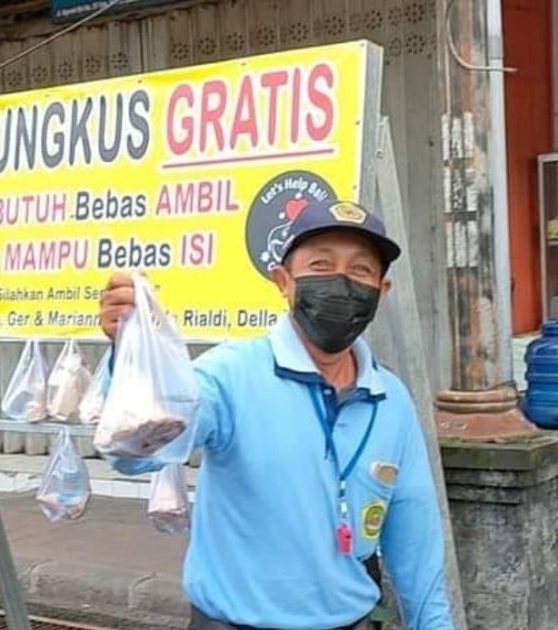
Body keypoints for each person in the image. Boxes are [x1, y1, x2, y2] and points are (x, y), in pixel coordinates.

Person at [98, 200, 454, 630]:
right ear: (283, 282)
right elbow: (134, 455)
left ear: (382, 290)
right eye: (321, 265)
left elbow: (414, 536)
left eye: (361, 271)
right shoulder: (228, 375)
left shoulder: (391, 400)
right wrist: (130, 354)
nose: (341, 282)